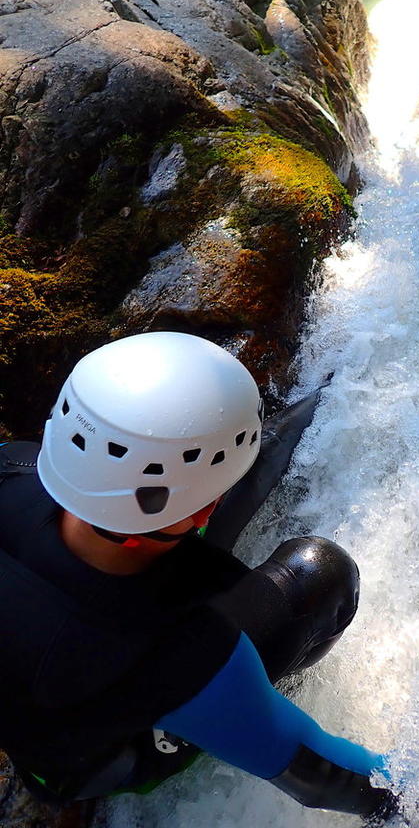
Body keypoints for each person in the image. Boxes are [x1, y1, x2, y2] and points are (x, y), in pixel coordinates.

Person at [0, 331, 397, 820]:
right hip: (93, 759)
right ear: (202, 509)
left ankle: (317, 402)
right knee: (319, 576)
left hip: (42, 657)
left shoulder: (10, 463)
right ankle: (176, 740)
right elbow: (322, 775)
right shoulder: (183, 659)